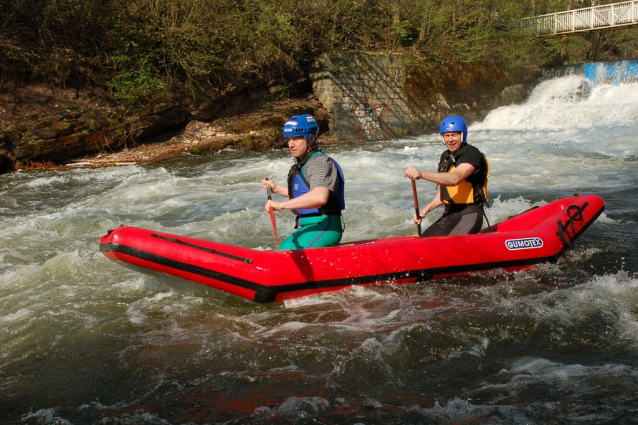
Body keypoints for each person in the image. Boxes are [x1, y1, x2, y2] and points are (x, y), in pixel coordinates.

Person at [262, 114, 345, 250]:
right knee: (278, 253)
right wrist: (276, 188)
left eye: (296, 139)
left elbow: (319, 197)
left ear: (311, 138)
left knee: (283, 258)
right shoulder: (303, 163)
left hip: (325, 226)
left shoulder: (319, 163)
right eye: (288, 140)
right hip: (307, 226)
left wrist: (281, 205)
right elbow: (305, 193)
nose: (291, 144)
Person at [404, 115, 489, 237]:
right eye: (447, 136)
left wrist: (421, 174)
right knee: (423, 242)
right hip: (449, 215)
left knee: (440, 247)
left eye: (454, 135)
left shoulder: (472, 154)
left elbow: (455, 179)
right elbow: (446, 193)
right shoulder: (446, 157)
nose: (450, 139)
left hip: (469, 214)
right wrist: (424, 211)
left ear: (462, 135)